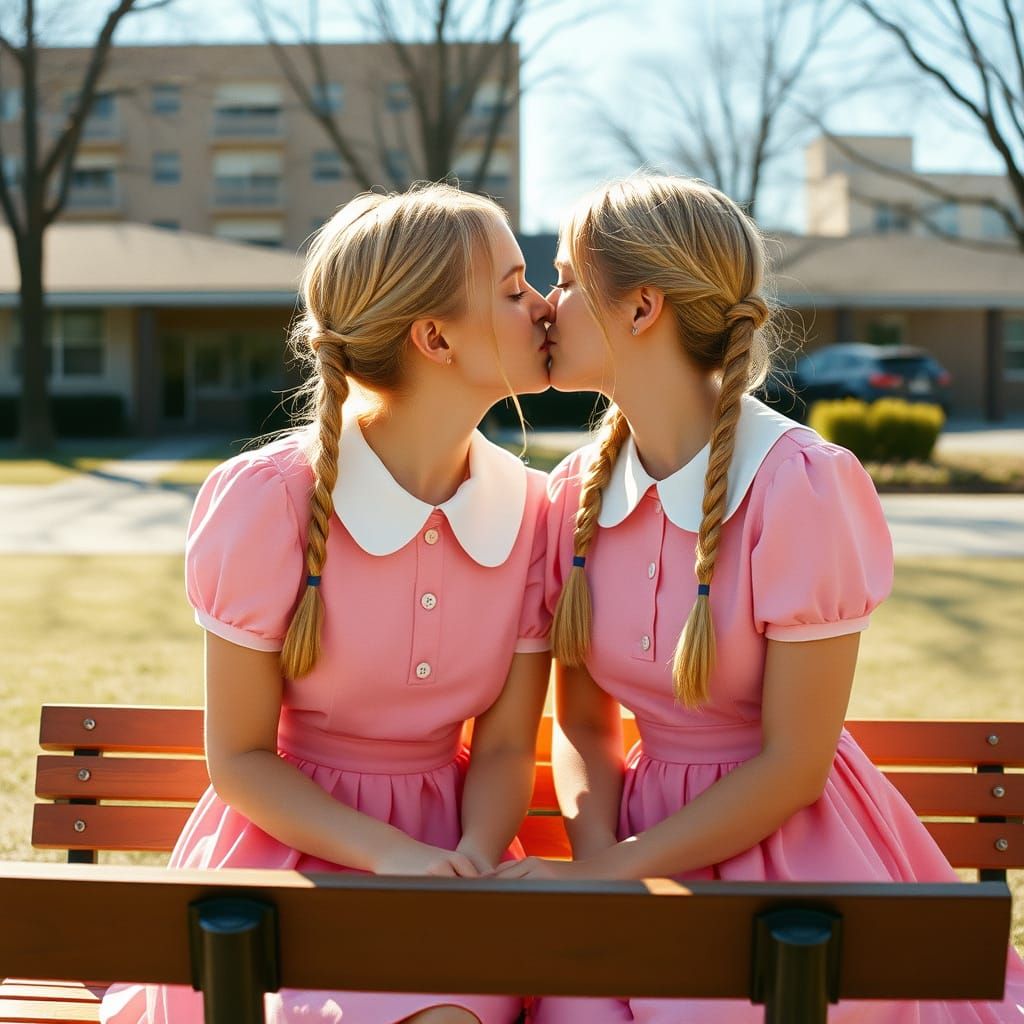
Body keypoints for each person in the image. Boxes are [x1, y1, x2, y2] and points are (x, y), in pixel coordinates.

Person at [494, 175, 1024, 1022]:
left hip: (784, 853)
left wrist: (618, 873)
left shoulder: (799, 486)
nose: (546, 306)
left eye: (563, 277)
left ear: (641, 309)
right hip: (629, 841)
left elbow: (793, 766)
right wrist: (603, 868)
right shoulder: (572, 499)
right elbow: (584, 726)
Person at [101, 182, 554, 1024]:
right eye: (514, 286)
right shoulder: (269, 501)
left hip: (453, 856)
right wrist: (387, 856)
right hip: (283, 853)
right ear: (434, 337)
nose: (543, 307)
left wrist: (466, 864)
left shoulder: (532, 513)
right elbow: (238, 756)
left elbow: (502, 751)